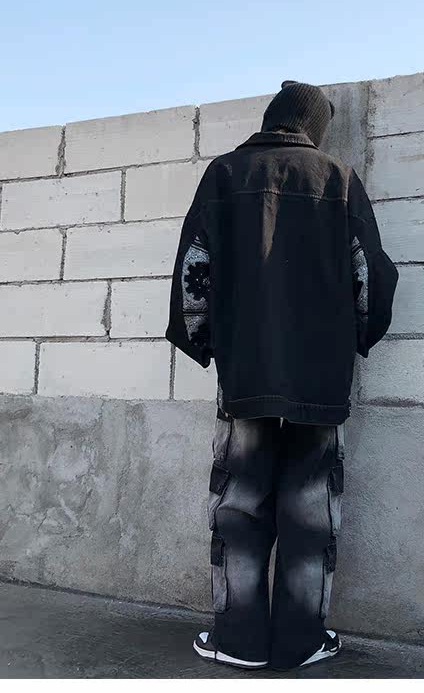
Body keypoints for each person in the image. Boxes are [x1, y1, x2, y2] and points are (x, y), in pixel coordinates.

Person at [166, 80, 398, 670]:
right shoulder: (338, 179)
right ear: (314, 127)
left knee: (239, 509)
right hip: (319, 380)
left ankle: (237, 642)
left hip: (246, 377)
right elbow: (369, 275)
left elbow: (194, 268)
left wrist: (208, 344)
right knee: (311, 514)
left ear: (271, 118)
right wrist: (356, 338)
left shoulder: (224, 173)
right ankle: (301, 642)